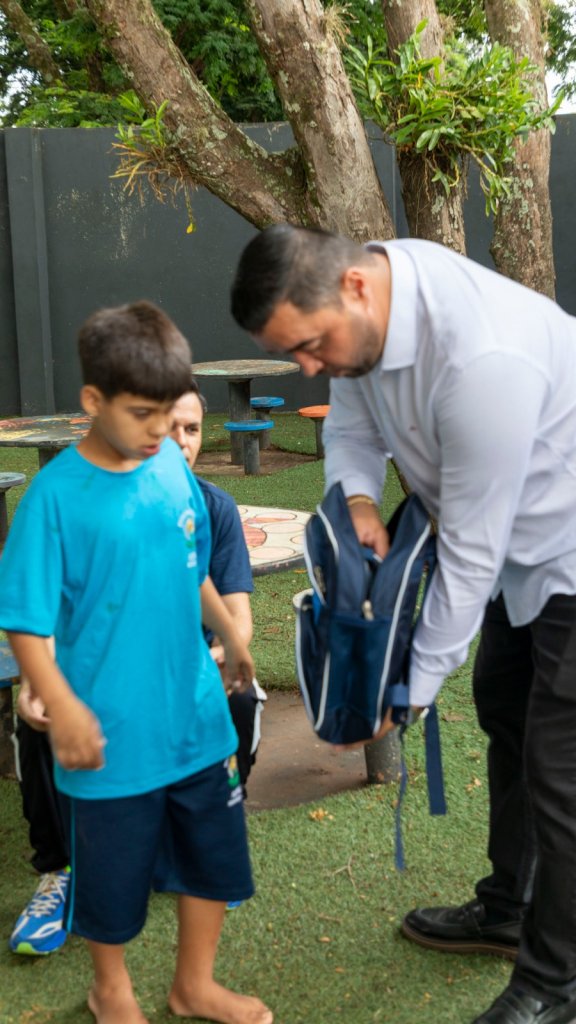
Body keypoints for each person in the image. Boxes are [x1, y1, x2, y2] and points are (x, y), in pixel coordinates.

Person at [230, 223, 576, 1024]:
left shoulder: (484, 356)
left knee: (561, 765)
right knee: (506, 712)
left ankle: (556, 982)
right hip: (512, 543)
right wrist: (358, 501)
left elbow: (470, 554)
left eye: (309, 345)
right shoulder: (365, 309)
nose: (307, 367)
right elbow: (351, 421)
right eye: (292, 354)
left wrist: (409, 692)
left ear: (353, 288)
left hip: (562, 547)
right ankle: (509, 907)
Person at [0, 300, 273, 1024]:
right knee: (112, 876)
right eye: (144, 415)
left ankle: (194, 985)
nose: (161, 433)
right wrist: (62, 706)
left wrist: (233, 634)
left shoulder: (171, 473)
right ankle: (110, 989)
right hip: (109, 734)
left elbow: (192, 567)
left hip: (195, 719)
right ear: (93, 401)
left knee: (211, 857)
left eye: (171, 414)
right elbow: (25, 622)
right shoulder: (54, 500)